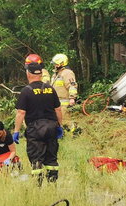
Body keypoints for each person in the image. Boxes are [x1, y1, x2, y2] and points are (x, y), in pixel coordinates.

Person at [13, 53, 63, 186]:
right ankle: (52, 184)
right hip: (51, 127)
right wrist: (60, 126)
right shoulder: (50, 89)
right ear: (41, 74)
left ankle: (38, 185)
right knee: (51, 158)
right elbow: (58, 109)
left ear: (28, 74)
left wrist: (16, 131)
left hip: (35, 129)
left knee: (36, 158)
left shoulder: (26, 91)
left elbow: (21, 112)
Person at [50, 53, 78, 128]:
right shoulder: (56, 74)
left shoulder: (67, 73)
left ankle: (75, 133)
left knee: (66, 121)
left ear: (61, 64)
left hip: (64, 103)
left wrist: (72, 98)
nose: (54, 65)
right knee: (59, 121)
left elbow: (72, 86)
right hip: (56, 103)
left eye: (55, 64)